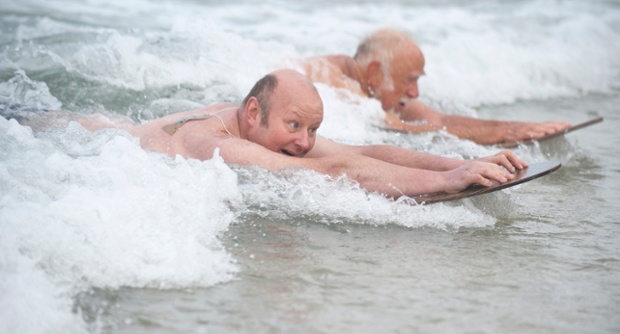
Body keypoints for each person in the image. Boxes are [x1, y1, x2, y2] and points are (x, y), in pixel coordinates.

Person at [34, 69, 528, 199]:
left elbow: (359, 152)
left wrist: (458, 164)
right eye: (294, 127)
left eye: (312, 128)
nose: (305, 141)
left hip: (100, 124)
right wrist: (446, 184)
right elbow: (335, 172)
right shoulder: (218, 144)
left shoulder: (264, 124)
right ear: (254, 112)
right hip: (63, 134)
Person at [302, 28, 572, 145]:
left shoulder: (378, 87)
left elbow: (438, 120)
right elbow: (401, 130)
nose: (415, 92)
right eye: (409, 79)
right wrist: (500, 134)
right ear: (374, 73)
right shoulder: (335, 81)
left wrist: (515, 127)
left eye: (417, 79)